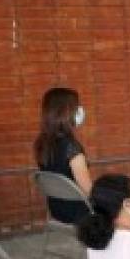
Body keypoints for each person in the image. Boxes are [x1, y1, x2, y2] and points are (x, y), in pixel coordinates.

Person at [34, 87, 93, 224]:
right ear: (66, 112)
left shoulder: (43, 144)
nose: (80, 110)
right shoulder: (71, 148)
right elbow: (89, 191)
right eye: (76, 107)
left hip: (57, 211)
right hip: (80, 213)